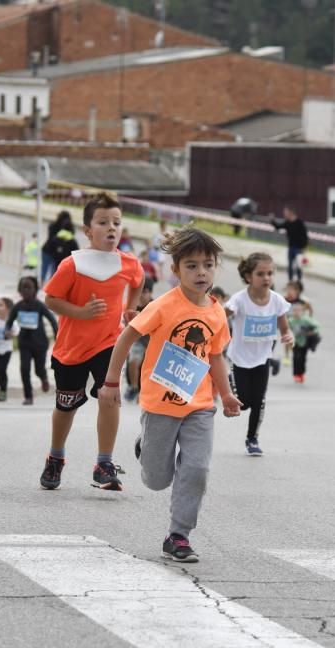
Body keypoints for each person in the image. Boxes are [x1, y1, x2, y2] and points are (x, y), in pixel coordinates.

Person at [98, 226, 241, 563]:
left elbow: (216, 355)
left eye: (207, 264)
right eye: (191, 266)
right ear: (176, 271)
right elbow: (127, 337)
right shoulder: (164, 306)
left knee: (197, 470)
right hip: (160, 405)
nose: (201, 272)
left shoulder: (217, 311)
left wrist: (227, 394)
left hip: (200, 406)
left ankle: (178, 535)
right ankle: (145, 445)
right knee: (156, 480)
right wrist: (111, 381)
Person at [39, 191, 144, 491]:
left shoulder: (129, 263)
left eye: (116, 222)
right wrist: (81, 313)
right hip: (71, 348)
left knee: (110, 396)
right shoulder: (72, 265)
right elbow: (51, 299)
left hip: (108, 344)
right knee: (66, 405)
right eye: (102, 222)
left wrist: (130, 308)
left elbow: (139, 281)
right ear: (87, 230)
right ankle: (55, 458)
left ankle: (104, 463)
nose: (111, 228)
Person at [223, 252, 294, 456]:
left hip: (263, 359)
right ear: (248, 277)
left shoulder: (277, 301)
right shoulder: (240, 299)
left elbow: (284, 328)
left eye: (270, 273)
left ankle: (252, 438)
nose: (266, 278)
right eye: (261, 274)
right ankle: (230, 380)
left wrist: (288, 336)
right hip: (239, 359)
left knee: (259, 400)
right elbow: (220, 315)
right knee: (243, 403)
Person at [5, 276, 58, 406]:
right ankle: (28, 396)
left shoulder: (39, 305)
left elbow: (51, 319)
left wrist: (58, 335)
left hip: (40, 343)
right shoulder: (18, 306)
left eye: (29, 288)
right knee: (24, 369)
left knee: (38, 369)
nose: (26, 290)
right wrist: (7, 331)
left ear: (35, 290)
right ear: (19, 290)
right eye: (24, 288)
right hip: (24, 343)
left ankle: (44, 378)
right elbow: (9, 321)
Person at [123, 277, 154, 402]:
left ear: (150, 293)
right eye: (141, 292)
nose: (142, 295)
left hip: (153, 340)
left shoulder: (154, 306)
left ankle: (148, 390)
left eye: (146, 292)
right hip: (138, 340)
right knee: (133, 361)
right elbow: (127, 327)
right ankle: (134, 387)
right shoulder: (132, 306)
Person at [272, 205, 309, 282]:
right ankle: (290, 281)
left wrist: (305, 247)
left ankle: (299, 282)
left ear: (291, 212)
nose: (284, 214)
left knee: (299, 266)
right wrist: (272, 221)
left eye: (286, 212)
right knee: (290, 267)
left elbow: (305, 236)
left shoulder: (299, 223)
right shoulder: (288, 223)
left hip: (299, 248)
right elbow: (278, 227)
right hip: (291, 247)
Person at [288, 301, 321, 384]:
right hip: (295, 342)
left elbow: (318, 326)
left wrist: (311, 333)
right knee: (295, 357)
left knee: (302, 358)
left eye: (299, 310)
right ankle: (296, 374)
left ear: (302, 311)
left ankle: (301, 373)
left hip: (304, 342)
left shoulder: (306, 320)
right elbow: (287, 330)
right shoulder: (291, 321)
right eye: (295, 310)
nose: (296, 312)